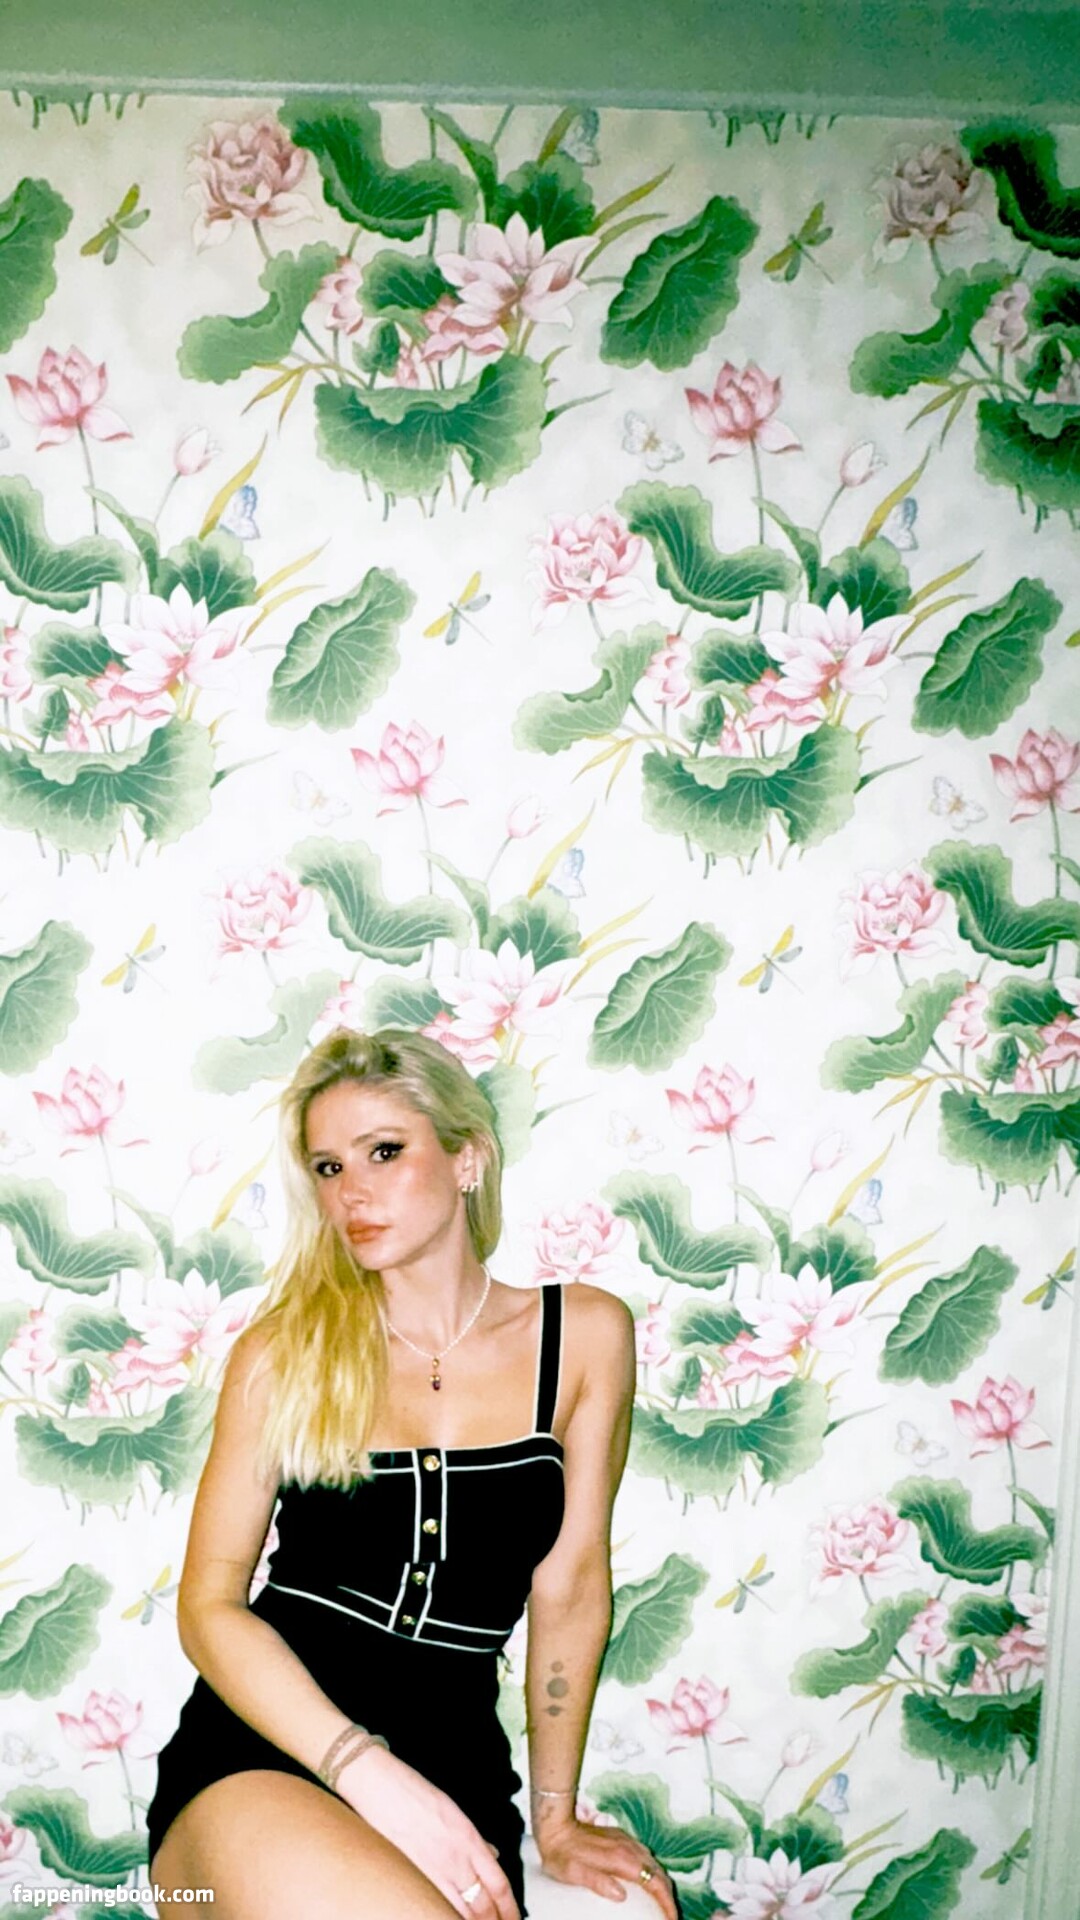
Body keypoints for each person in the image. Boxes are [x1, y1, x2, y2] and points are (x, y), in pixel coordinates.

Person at [146, 1026, 679, 1920]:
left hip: (457, 1763)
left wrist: (555, 1819)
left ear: (467, 1158)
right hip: (266, 1755)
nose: (350, 1192)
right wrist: (361, 1767)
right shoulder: (282, 1354)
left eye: (383, 1152)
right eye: (327, 1168)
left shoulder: (584, 1337)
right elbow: (208, 1605)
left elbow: (572, 1585)